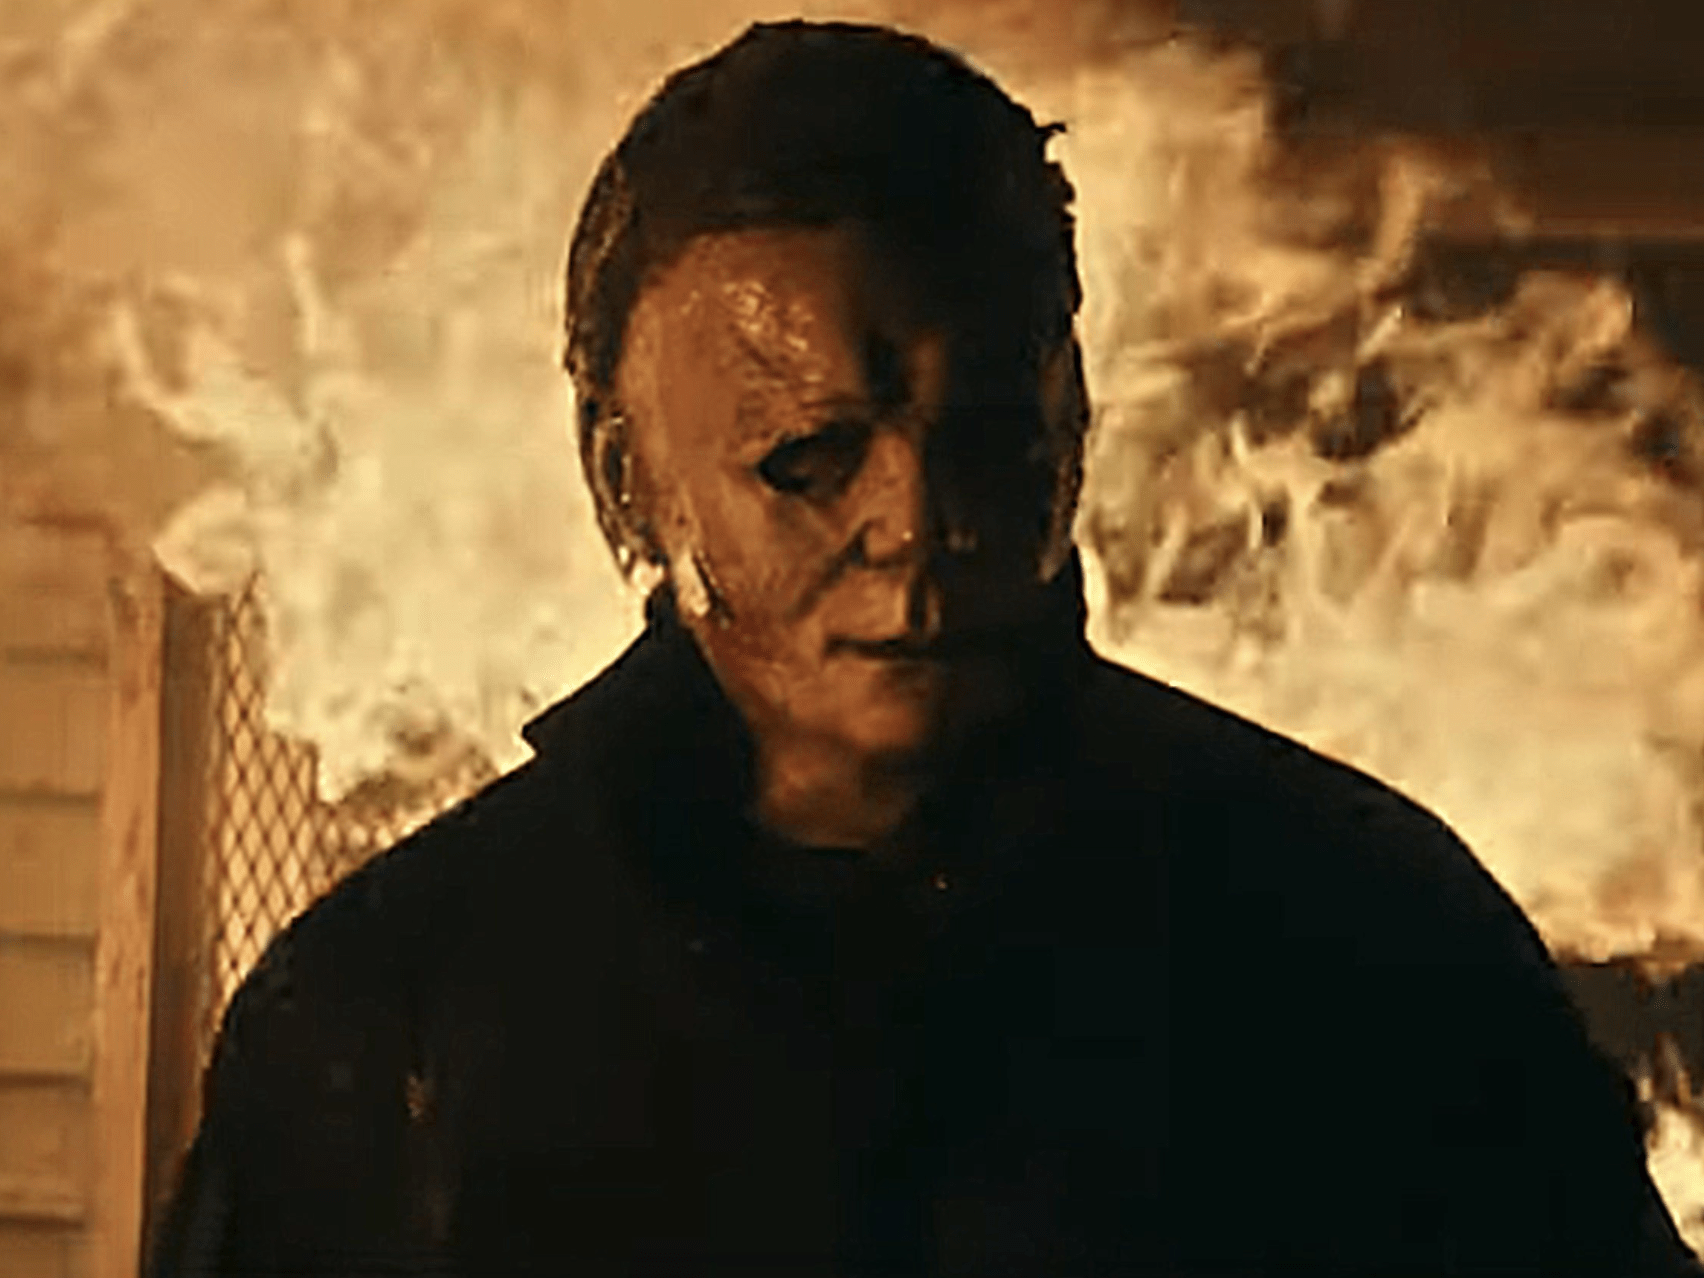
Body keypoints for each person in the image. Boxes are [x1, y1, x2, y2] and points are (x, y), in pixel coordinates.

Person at [147, 20, 1703, 1277]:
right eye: (810, 456)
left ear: (1076, 427)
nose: (917, 519)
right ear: (628, 481)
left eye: (986, 437)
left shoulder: (1370, 946)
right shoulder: (389, 1015)